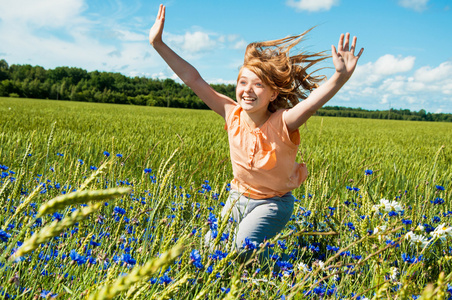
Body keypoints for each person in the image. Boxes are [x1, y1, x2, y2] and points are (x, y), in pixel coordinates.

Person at [149, 4, 363, 261]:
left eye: (258, 85)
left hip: (273, 204)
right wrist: (158, 44)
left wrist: (339, 78)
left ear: (273, 93)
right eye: (243, 82)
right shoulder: (231, 112)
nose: (248, 90)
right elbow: (193, 79)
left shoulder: (284, 122)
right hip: (237, 198)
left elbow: (311, 102)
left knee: (241, 248)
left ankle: (264, 277)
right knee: (206, 251)